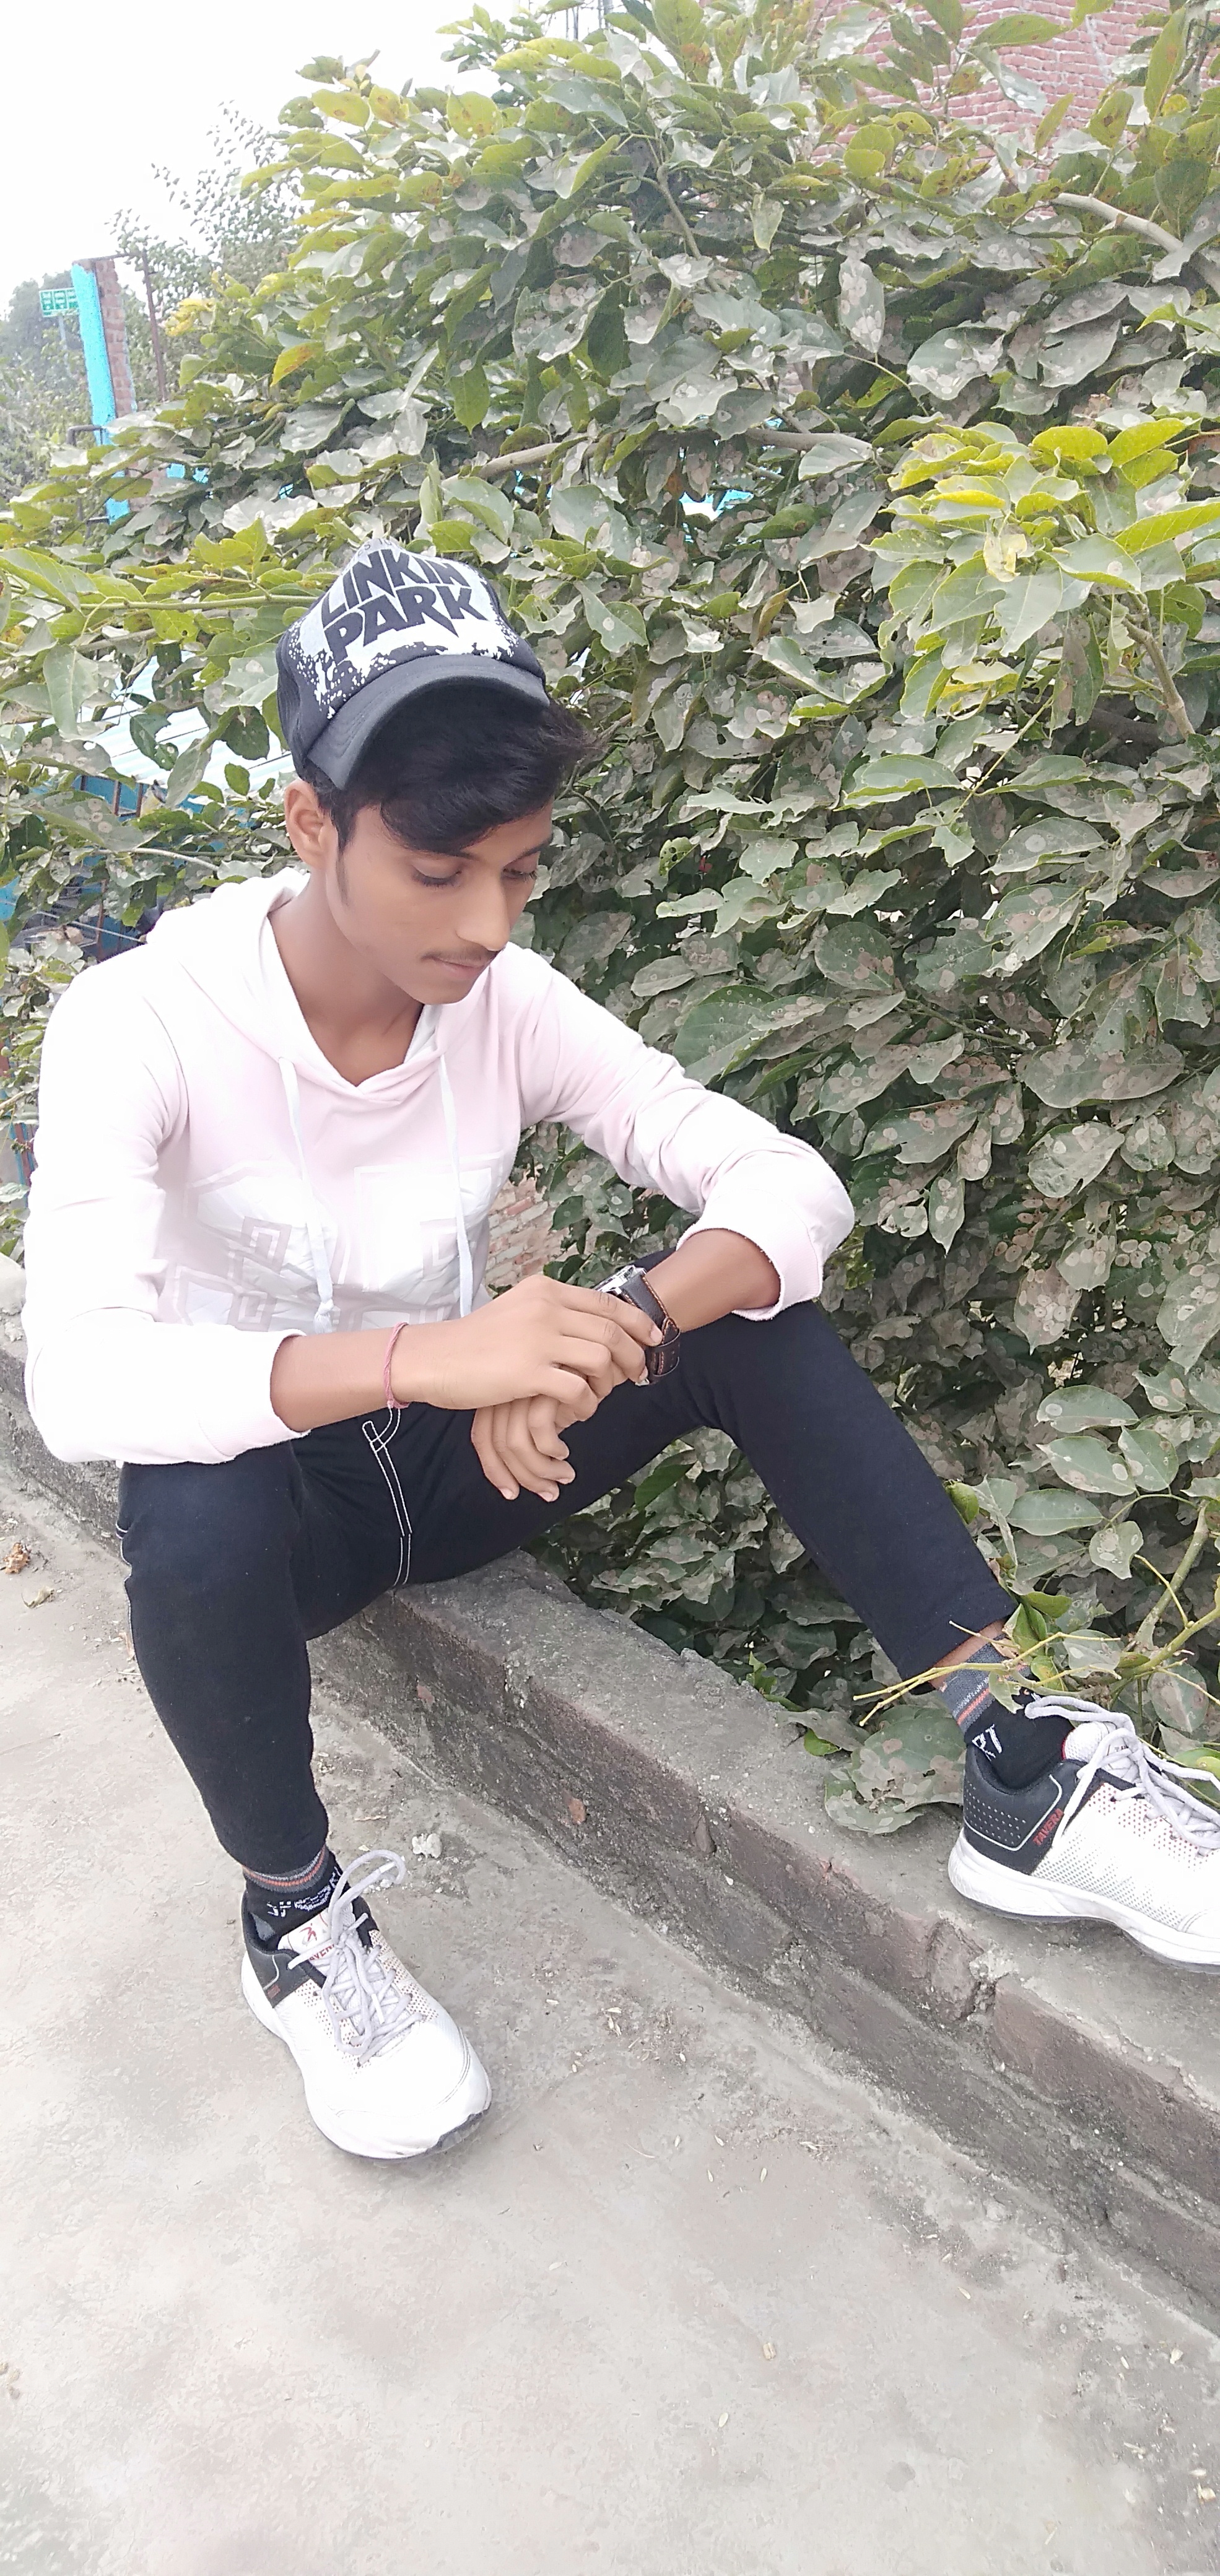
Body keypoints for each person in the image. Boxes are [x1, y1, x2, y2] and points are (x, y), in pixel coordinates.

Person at [20, 542, 1220, 2163]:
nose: (484, 922)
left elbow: (788, 1186)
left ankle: (1021, 1762)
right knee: (189, 1494)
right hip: (282, 1524)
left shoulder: (506, 1000)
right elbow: (82, 1381)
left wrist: (617, 1330)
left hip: (468, 1467)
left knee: (752, 1319)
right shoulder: (144, 1022)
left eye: (519, 873)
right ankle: (294, 1914)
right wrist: (434, 1357)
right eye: (439, 871)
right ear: (311, 824)